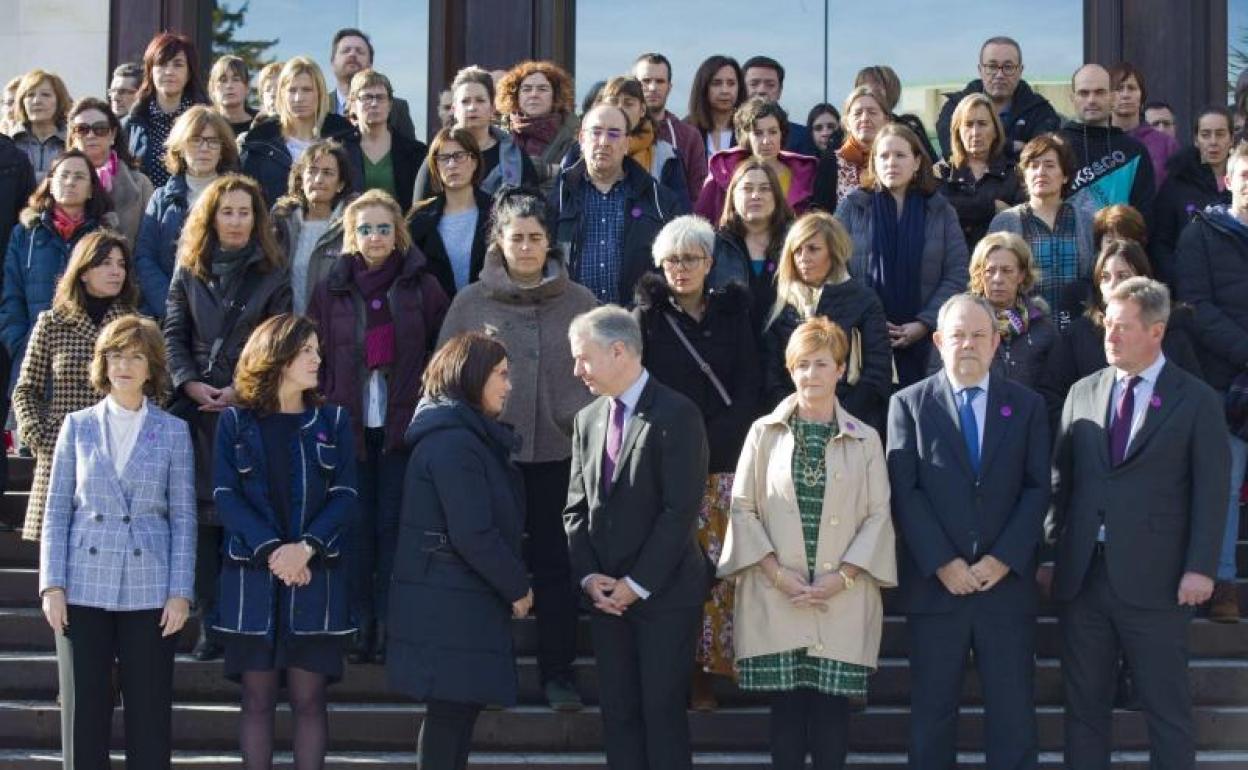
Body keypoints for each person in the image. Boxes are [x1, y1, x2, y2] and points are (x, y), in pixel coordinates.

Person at [1049, 277, 1229, 769]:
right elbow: (1061, 483)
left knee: (1165, 710)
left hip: (1160, 582)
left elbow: (1214, 493)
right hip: (1085, 579)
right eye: (1108, 324)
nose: (1110, 336)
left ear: (1156, 332)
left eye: (1123, 327)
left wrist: (1201, 568)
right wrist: (1053, 552)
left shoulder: (1195, 400)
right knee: (1084, 709)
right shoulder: (1082, 392)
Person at [436, 190, 595, 708]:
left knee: (555, 565)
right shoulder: (471, 302)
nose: (525, 247)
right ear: (498, 240)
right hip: (490, 455)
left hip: (560, 454)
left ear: (550, 242)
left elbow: (602, 377)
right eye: (515, 237)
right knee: (487, 563)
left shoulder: (579, 302)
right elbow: (445, 377)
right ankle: (486, 673)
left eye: (535, 238)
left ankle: (559, 674)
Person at [720, 315, 896, 770]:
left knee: (833, 720)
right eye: (802, 365)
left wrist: (843, 577)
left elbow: (879, 516)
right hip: (779, 593)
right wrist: (777, 575)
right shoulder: (763, 432)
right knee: (786, 718)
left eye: (822, 364)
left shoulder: (867, 438)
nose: (811, 375)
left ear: (841, 370)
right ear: (789, 369)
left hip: (843, 597)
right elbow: (742, 507)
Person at [888, 293, 1049, 770]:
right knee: (932, 718)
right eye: (958, 335)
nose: (968, 344)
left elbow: (1038, 488)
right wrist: (943, 562)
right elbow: (906, 492)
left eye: (979, 334)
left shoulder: (1027, 406)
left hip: (1006, 589)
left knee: (1014, 717)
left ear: (997, 342)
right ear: (938, 341)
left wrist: (1004, 558)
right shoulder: (908, 406)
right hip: (937, 590)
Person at [39, 314, 194, 770]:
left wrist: (180, 592)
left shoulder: (172, 431)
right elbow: (57, 509)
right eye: (115, 356)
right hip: (84, 583)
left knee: (148, 714)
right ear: (102, 364)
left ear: (152, 367)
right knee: (84, 711)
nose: (123, 366)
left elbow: (184, 516)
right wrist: (52, 585)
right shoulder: (77, 426)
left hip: (150, 586)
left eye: (135, 356)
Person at [564, 305, 710, 770]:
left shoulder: (678, 413)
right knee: (619, 716)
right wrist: (590, 578)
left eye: (583, 358)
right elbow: (575, 509)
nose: (576, 370)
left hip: (664, 596)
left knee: (662, 716)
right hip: (606, 599)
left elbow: (680, 511)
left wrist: (636, 584)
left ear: (619, 350)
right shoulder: (587, 420)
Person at [306, 189, 448, 665]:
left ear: (398, 232)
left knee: (392, 528)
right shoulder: (332, 286)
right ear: (350, 235)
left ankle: (388, 623)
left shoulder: (419, 285)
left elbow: (441, 349)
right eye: (364, 228)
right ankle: (357, 620)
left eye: (384, 227)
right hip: (347, 424)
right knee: (354, 527)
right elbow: (314, 347)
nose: (375, 237)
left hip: (400, 427)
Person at [211, 313, 357, 770]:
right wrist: (276, 550)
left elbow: (346, 494)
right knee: (256, 700)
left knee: (309, 700)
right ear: (276, 355)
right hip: (251, 582)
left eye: (317, 349)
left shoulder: (333, 420)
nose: (318, 358)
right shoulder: (235, 422)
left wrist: (305, 547)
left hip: (315, 579)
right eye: (306, 350)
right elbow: (225, 496)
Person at [387, 332, 533, 770]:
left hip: (455, 599)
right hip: (449, 603)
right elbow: (473, 532)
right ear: (472, 376)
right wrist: (517, 586)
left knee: (456, 713)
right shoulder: (454, 442)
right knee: (450, 715)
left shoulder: (461, 436)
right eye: (502, 375)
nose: (509, 386)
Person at [164, 173, 292, 661]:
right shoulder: (188, 269)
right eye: (227, 212)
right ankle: (208, 621)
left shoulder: (271, 272)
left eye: (244, 212)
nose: (236, 221)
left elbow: (278, 341)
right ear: (211, 217)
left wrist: (242, 389)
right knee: (199, 520)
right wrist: (189, 382)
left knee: (242, 515)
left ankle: (241, 619)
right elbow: (172, 331)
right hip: (194, 410)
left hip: (248, 410)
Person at [633, 215, 759, 710]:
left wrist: (721, 436)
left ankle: (717, 665)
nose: (681, 269)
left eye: (691, 258)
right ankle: (684, 670)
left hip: (726, 460)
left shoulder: (733, 313)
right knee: (676, 572)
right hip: (667, 462)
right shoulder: (645, 317)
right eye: (672, 260)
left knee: (722, 572)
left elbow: (749, 383)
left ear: (709, 262)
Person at [14, 229, 138, 547]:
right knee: (56, 566)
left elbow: (159, 388)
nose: (116, 271)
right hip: (60, 453)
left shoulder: (135, 325)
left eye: (121, 264)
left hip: (118, 455)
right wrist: (40, 437)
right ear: (83, 271)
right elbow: (25, 389)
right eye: (106, 263)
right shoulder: (52, 323)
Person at [836, 123, 970, 388]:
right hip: (863, 340)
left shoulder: (941, 210)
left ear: (917, 161)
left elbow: (957, 273)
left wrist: (923, 323)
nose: (891, 163)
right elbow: (834, 269)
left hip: (926, 344)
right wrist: (870, 317)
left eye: (900, 155)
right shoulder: (853, 206)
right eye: (883, 156)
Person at [1175, 142, 1248, 621]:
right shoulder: (1200, 233)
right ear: (1229, 178)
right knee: (1221, 485)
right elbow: (1196, 307)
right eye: (1246, 173)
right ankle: (1220, 586)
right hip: (1226, 382)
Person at [1040, 238, 1202, 432]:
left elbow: (1194, 400)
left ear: (1142, 279)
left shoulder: (1172, 332)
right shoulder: (1078, 334)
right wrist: (1083, 436)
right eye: (1105, 277)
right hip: (1094, 451)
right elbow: (1052, 395)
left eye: (1123, 276)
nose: (1113, 284)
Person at [762, 211, 891, 430]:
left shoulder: (864, 300)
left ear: (834, 252)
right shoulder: (782, 303)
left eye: (813, 249)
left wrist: (837, 417)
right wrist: (797, 415)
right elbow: (771, 373)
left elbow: (877, 373)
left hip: (852, 424)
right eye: (797, 250)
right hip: (792, 423)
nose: (803, 257)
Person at [1, 150, 114, 391]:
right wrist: (20, 343)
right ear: (50, 184)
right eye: (63, 175)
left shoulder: (105, 238)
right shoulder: (25, 235)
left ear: (91, 189)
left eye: (79, 177)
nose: (70, 182)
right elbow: (11, 295)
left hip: (89, 366)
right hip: (32, 361)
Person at [548, 103, 679, 305]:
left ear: (627, 143)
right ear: (582, 139)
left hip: (636, 323)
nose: (604, 142)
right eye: (596, 132)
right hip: (571, 322)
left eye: (614, 134)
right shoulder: (558, 196)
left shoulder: (658, 199)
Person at [134, 106, 239, 319]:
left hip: (221, 317)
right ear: (180, 148)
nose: (204, 148)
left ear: (222, 149)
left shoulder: (239, 197)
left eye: (212, 141)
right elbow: (145, 257)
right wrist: (172, 306)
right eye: (195, 140)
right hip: (167, 315)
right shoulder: (161, 198)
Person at [989, 133, 1095, 321]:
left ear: (1065, 176)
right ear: (1024, 175)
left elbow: (1094, 278)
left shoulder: (1085, 221)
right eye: (1033, 166)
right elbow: (991, 283)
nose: (1040, 172)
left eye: (1049, 165)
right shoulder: (1005, 222)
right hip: (1025, 331)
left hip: (1076, 330)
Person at [240, 56, 358, 208]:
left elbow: (354, 192)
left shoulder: (344, 138)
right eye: (292, 90)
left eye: (306, 90)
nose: (298, 98)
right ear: (282, 94)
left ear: (320, 93)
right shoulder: (260, 142)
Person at [947, 231, 1057, 392]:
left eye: (1007, 271)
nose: (997, 279)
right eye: (990, 271)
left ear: (1021, 275)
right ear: (979, 274)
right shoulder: (959, 321)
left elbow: (1054, 389)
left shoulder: (1042, 327)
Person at [413, 66, 539, 199]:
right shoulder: (439, 157)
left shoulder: (515, 157)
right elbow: (419, 214)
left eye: (480, 100)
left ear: (492, 108)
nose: (472, 107)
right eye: (465, 101)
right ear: (454, 110)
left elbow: (534, 210)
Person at [695, 97, 824, 221]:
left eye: (773, 132)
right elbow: (702, 219)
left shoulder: (805, 174)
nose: (766, 141)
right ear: (746, 137)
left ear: (782, 133)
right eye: (758, 133)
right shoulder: (724, 169)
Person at [936, 35, 1062, 161]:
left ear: (1020, 70)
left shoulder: (1041, 112)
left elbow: (1040, 160)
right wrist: (1010, 146)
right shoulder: (955, 107)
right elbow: (953, 151)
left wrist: (980, 149)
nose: (1000, 75)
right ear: (980, 70)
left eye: (1008, 67)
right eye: (992, 67)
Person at [1060, 64, 1155, 221]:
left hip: (1120, 243)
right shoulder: (1055, 146)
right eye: (1084, 93)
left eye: (1100, 92)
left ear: (1112, 97)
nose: (1091, 100)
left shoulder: (1134, 151)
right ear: (1072, 98)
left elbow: (1145, 216)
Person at [708, 159, 795, 328]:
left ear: (777, 196)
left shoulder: (796, 242)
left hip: (787, 348)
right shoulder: (715, 246)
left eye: (764, 189)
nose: (756, 195)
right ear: (733, 195)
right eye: (747, 189)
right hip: (732, 348)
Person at [1151, 106, 1233, 286]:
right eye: (1205, 134)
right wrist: (1179, 280)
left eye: (1220, 134)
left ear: (1231, 139)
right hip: (1189, 286)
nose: (1213, 142)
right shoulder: (1176, 183)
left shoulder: (1243, 183)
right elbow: (1160, 243)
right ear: (1196, 140)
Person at [272, 139, 356, 313]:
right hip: (289, 328)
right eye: (312, 171)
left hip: (335, 329)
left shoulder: (352, 225)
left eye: (328, 173)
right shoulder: (281, 223)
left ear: (340, 184)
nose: (318, 179)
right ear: (301, 179)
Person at [408, 128, 493, 298]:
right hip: (436, 316)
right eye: (444, 158)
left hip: (488, 312)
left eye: (459, 156)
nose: (452, 164)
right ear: (435, 166)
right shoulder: (419, 218)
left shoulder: (497, 210)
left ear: (474, 161)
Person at [122, 33, 209, 189]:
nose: (169, 71)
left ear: (189, 72)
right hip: (147, 210)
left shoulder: (208, 121)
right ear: (150, 71)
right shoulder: (131, 124)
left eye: (178, 64)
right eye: (162, 64)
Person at [937, 93, 1023, 250]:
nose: (975, 132)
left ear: (996, 130)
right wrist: (991, 207)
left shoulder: (1015, 174)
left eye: (982, 124)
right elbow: (937, 213)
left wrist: (960, 207)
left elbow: (1021, 222)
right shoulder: (940, 174)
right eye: (968, 124)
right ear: (958, 131)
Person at [594, 76, 691, 211]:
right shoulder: (582, 150)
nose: (620, 108)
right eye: (613, 102)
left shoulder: (667, 156)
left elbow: (680, 211)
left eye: (628, 103)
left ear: (642, 110)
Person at [66, 97, 154, 245]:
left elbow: (150, 244)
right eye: (82, 129)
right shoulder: (60, 181)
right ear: (73, 137)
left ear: (112, 135)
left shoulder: (141, 185)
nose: (91, 135)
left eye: (100, 129)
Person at [346, 68, 427, 214]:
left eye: (380, 97)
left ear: (390, 105)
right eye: (367, 97)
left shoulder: (414, 152)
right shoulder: (340, 150)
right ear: (353, 104)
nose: (374, 103)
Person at [496, 60, 579, 193]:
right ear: (516, 96)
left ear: (555, 95)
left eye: (542, 89)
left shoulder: (574, 137)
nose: (534, 94)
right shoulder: (497, 134)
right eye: (527, 89)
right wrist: (549, 170)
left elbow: (573, 178)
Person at [634, 52, 709, 200]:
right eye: (646, 81)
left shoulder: (689, 136)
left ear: (669, 87)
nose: (653, 87)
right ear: (634, 85)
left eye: (660, 81)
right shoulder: (619, 131)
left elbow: (698, 194)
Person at [328, 27, 417, 141]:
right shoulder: (318, 106)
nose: (352, 54)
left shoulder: (397, 108)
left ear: (370, 63)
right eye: (346, 50)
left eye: (359, 51)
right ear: (332, 62)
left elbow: (410, 153)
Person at [1109, 62, 1179, 190]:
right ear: (1108, 96)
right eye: (1119, 88)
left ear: (1142, 96)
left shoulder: (1166, 144)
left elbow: (1177, 193)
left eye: (1131, 88)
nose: (1125, 95)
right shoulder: (1098, 141)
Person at [815, 86, 889, 205]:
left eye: (872, 112)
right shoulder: (831, 161)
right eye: (858, 113)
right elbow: (821, 212)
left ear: (886, 120)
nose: (864, 118)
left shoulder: (894, 159)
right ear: (847, 123)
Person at [853, 65, 939, 161]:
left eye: (876, 89)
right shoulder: (849, 131)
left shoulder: (908, 127)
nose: (868, 94)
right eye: (861, 89)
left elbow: (929, 166)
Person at [741, 56, 818, 156]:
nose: (761, 90)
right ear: (742, 89)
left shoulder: (802, 136)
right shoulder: (728, 132)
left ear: (780, 91)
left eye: (770, 85)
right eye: (754, 84)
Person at [10, 69, 70, 182]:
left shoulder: (72, 142)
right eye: (30, 95)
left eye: (46, 95)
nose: (37, 101)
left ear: (59, 100)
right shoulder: (9, 143)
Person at [685, 55, 745, 159]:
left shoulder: (750, 130)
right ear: (704, 87)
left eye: (731, 83)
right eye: (716, 83)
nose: (725, 90)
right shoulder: (686, 130)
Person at [208, 55, 257, 137]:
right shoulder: (205, 124)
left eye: (236, 80)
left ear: (247, 87)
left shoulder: (262, 125)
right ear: (212, 89)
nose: (229, 86)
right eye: (223, 80)